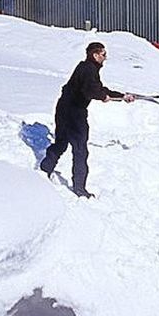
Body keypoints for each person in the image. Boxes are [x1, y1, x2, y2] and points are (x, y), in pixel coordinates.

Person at [39, 41, 131, 198]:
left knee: (61, 143)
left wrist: (121, 96)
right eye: (103, 54)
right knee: (80, 149)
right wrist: (103, 96)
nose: (105, 58)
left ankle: (45, 169)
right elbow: (90, 90)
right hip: (74, 112)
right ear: (95, 55)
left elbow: (97, 88)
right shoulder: (89, 70)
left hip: (64, 108)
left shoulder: (87, 68)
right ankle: (79, 188)